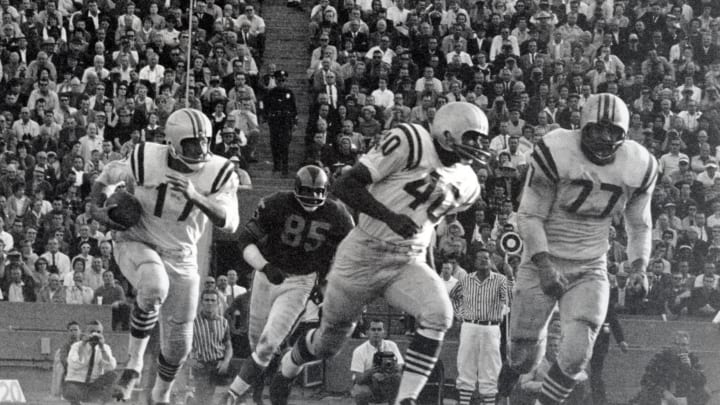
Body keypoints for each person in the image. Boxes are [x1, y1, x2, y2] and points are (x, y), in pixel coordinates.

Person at [270, 102, 487, 405]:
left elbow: (427, 225)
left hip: (407, 259)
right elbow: (345, 186)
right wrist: (390, 217)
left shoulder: (467, 182)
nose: (478, 146)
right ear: (447, 133)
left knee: (439, 314)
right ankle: (287, 367)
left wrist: (433, 271)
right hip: (363, 252)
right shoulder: (411, 141)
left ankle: (407, 399)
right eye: (472, 137)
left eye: (480, 139)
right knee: (328, 343)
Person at [497, 93, 657, 405]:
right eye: (597, 129)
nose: (605, 138)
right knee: (523, 356)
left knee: (576, 355)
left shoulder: (639, 164)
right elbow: (529, 215)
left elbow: (639, 224)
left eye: (614, 132)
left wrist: (640, 267)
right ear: (582, 127)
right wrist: (544, 265)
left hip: (590, 263)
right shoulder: (557, 149)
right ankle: (503, 386)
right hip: (543, 256)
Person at [89, 108, 240, 405]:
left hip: (182, 255)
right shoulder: (145, 157)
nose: (202, 149)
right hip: (138, 240)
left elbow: (230, 222)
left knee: (178, 346)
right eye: (193, 143)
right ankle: (133, 366)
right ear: (173, 142)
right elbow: (104, 179)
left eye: (205, 141)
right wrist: (97, 209)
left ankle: (161, 393)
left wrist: (197, 196)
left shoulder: (218, 171)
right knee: (154, 286)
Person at [221, 165, 354, 402]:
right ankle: (255, 394)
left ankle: (232, 395)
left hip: (300, 282)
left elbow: (349, 256)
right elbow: (245, 240)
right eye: (308, 191)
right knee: (256, 344)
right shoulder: (276, 203)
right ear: (296, 188)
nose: (313, 197)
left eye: (318, 192)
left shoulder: (338, 215)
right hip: (266, 277)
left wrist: (326, 283)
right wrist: (265, 266)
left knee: (267, 344)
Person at [449, 247, 509, 405]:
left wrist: (510, 276)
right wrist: (460, 314)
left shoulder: (500, 280)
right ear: (475, 262)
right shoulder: (466, 279)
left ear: (491, 261)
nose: (483, 260)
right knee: (465, 364)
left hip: (491, 327)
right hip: (470, 325)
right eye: (480, 258)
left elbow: (510, 298)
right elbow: (453, 296)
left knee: (490, 368)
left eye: (486, 258)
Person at [632, 331, 708, 405]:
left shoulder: (692, 358)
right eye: (677, 344)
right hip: (661, 396)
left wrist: (689, 368)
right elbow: (646, 380)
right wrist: (664, 392)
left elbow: (702, 381)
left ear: (688, 346)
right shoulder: (660, 357)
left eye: (684, 345)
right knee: (646, 393)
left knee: (705, 392)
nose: (680, 348)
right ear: (671, 345)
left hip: (683, 395)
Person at [189, 289, 234, 405]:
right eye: (207, 300)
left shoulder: (223, 322)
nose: (209, 303)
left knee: (222, 397)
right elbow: (185, 344)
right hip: (201, 365)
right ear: (201, 302)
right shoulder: (193, 322)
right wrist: (190, 359)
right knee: (203, 398)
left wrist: (226, 361)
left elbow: (228, 346)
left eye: (213, 300)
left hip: (218, 366)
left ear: (218, 303)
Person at [63, 320, 118, 405]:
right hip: (77, 383)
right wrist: (83, 344)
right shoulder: (76, 346)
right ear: (85, 333)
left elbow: (111, 366)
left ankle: (101, 402)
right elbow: (75, 364)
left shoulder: (105, 348)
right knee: (71, 390)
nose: (95, 334)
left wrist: (102, 348)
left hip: (93, 385)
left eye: (98, 332)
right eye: (92, 331)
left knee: (113, 375)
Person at [350, 320, 404, 405]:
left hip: (387, 379)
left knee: (398, 378)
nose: (376, 332)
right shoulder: (359, 351)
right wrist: (371, 371)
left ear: (384, 332)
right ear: (367, 332)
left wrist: (394, 367)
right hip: (368, 382)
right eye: (373, 329)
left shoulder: (391, 345)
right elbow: (359, 379)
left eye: (379, 329)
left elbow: (400, 365)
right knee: (360, 391)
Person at [260, 70, 297, 175]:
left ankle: (285, 166)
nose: (281, 82)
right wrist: (265, 118)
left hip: (286, 120)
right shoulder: (270, 93)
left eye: (283, 80)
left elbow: (293, 108)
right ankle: (277, 165)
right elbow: (264, 106)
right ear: (275, 81)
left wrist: (295, 122)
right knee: (274, 143)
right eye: (279, 80)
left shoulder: (289, 93)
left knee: (285, 144)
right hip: (274, 120)